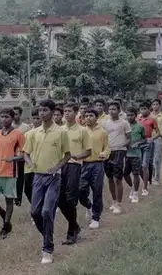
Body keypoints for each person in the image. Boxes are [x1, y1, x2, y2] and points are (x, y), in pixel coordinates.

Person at [23, 99, 71, 265]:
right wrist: (30, 164)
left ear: (52, 111)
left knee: (46, 211)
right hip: (37, 177)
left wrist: (57, 167)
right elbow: (25, 153)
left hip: (53, 178)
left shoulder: (61, 132)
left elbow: (67, 155)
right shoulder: (33, 133)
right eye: (40, 111)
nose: (42, 113)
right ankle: (47, 236)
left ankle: (47, 249)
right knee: (35, 212)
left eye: (45, 110)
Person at [0, 108, 26, 238]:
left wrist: (13, 158)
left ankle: (6, 225)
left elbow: (25, 154)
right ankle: (3, 214)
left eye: (7, 117)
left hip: (11, 172)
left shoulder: (18, 134)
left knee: (9, 200)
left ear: (12, 118)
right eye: (2, 117)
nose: (4, 119)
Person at [60, 104, 92, 245]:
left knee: (70, 198)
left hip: (74, 165)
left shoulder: (82, 130)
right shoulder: (60, 130)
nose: (66, 114)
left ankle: (71, 232)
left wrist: (78, 157)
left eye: (69, 111)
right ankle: (75, 226)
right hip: (60, 166)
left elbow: (88, 151)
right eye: (65, 111)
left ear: (76, 113)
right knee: (59, 200)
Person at [80, 107, 109, 229]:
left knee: (97, 191)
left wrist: (104, 154)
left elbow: (107, 148)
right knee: (80, 190)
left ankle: (96, 217)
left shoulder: (102, 132)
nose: (88, 118)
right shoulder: (81, 131)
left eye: (91, 116)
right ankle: (88, 205)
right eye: (86, 116)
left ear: (96, 118)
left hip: (97, 164)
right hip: (83, 164)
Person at [102, 101, 131, 214]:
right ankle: (114, 201)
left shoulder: (124, 123)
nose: (111, 111)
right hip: (108, 152)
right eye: (109, 109)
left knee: (117, 178)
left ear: (119, 111)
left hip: (119, 151)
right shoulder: (105, 123)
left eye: (114, 109)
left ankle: (119, 204)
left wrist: (123, 145)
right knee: (109, 178)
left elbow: (129, 138)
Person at [124, 107, 147, 204]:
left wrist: (138, 143)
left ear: (136, 115)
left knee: (136, 174)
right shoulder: (124, 126)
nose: (129, 117)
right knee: (125, 174)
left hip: (136, 154)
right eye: (128, 115)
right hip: (125, 154)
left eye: (131, 115)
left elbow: (145, 139)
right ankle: (132, 188)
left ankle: (136, 194)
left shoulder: (140, 126)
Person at [137, 102, 159, 196]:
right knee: (138, 166)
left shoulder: (152, 119)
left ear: (148, 109)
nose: (143, 111)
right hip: (138, 144)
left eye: (145, 108)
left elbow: (158, 132)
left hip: (147, 143)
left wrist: (152, 138)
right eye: (141, 109)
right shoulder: (137, 118)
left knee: (145, 165)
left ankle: (145, 187)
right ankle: (146, 180)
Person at [11, 106, 31, 206]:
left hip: (23, 156)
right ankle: (15, 198)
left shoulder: (26, 127)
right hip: (12, 157)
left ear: (20, 114)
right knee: (13, 179)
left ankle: (19, 199)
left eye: (17, 114)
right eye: (13, 114)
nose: (15, 116)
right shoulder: (9, 126)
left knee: (22, 179)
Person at [23, 108, 43, 205]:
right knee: (28, 190)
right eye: (34, 118)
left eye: (38, 118)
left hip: (41, 167)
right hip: (29, 167)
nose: (35, 121)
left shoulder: (45, 133)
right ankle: (35, 206)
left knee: (39, 189)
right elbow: (24, 151)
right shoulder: (27, 134)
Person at [151, 99, 162, 186]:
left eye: (157, 104)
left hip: (158, 139)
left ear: (159, 105)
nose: (155, 106)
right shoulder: (149, 116)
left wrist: (161, 135)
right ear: (151, 106)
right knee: (149, 158)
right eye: (153, 104)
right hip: (149, 139)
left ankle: (156, 178)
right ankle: (150, 177)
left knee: (157, 159)